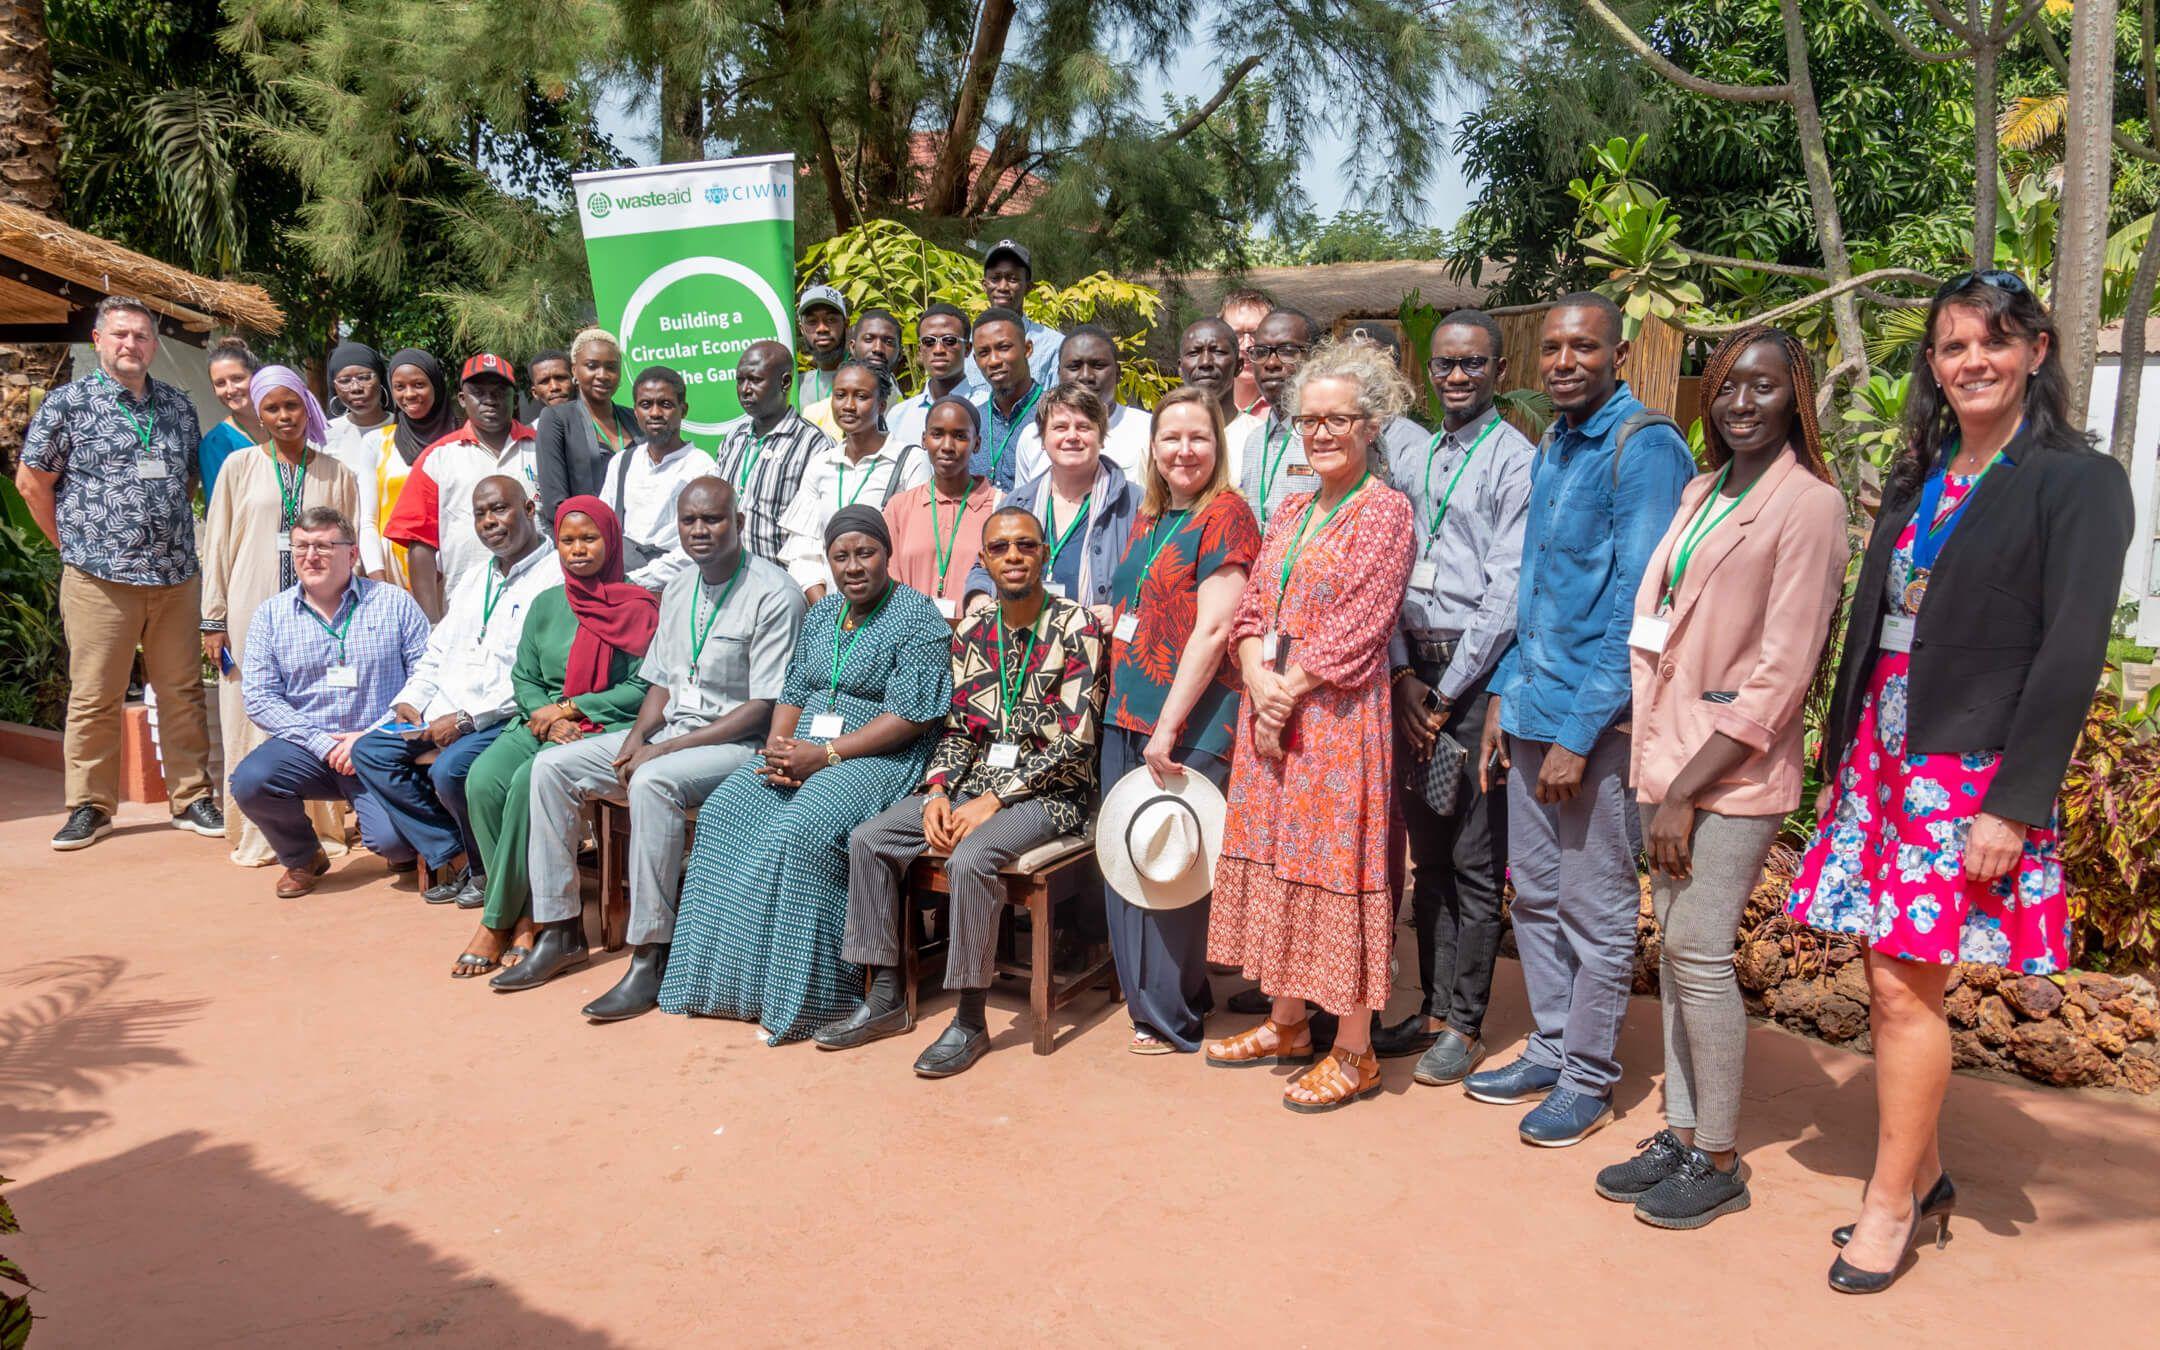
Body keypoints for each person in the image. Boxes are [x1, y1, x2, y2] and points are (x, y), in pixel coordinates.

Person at [1788, 275, 2129, 1293]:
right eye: (1950, 347)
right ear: (1932, 366)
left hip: (1967, 769)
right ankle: (1924, 1169)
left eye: (1993, 341)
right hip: (1885, 755)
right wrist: (1841, 750)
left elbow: (2070, 654)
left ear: (2037, 350)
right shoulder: (1920, 474)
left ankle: (1891, 1205)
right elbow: (1875, 622)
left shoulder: (2079, 480)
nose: (1971, 361)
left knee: (1901, 987)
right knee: (1885, 971)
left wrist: (2014, 805)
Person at [1581, 326, 1849, 1229]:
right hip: (1666, 762)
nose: (1741, 402)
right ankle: (1682, 1129)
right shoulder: (1700, 491)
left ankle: (1720, 1158)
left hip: (1727, 777)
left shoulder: (1807, 507)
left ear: (1796, 399)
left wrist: (1690, 788)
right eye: (1730, 385)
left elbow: (1782, 674)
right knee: (1677, 957)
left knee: (1698, 956)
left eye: (1764, 388)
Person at [1467, 293, 1695, 1146]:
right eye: (1554, 348)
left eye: (1584, 348)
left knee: (1594, 910)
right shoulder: (1557, 442)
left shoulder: (1644, 450)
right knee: (1533, 898)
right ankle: (1553, 1044)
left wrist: (1574, 733)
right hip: (1533, 708)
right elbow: (1535, 591)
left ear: (1621, 352)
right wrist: (1506, 700)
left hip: (1590, 730)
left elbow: (1640, 611)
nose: (1565, 361)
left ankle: (1589, 1076)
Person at [812, 508, 1107, 1077]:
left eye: (1026, 545)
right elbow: (957, 728)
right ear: (985, 561)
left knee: (972, 858)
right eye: (1001, 548)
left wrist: (993, 800)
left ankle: (970, 1018)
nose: (1014, 556)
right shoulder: (973, 630)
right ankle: (887, 996)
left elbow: (1076, 742)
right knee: (869, 838)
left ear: (1044, 553)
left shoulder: (1078, 627)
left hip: (1051, 796)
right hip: (973, 786)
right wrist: (941, 789)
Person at [1200, 340, 1415, 1113]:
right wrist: (1256, 675)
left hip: (1336, 721)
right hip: (1276, 708)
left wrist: (1282, 691)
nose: (1321, 433)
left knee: (1336, 871)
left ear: (1371, 424)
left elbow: (1361, 628)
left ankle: (1354, 1050)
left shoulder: (1385, 513)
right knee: (1279, 860)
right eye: (1309, 420)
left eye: (1338, 419)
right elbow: (1254, 605)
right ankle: (1289, 1024)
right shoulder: (1291, 508)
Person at [510, 479, 808, 1014]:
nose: (699, 531)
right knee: (550, 767)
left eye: (712, 520)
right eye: (689, 521)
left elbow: (762, 708)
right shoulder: (679, 587)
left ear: (737, 522)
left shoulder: (774, 593)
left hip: (737, 746)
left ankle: (651, 953)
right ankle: (560, 930)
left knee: (652, 782)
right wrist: (636, 737)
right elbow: (661, 683)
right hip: (671, 735)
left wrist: (660, 753)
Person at [661, 505, 954, 1039]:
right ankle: (724, 984)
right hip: (805, 749)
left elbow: (912, 714)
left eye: (865, 553)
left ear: (887, 554)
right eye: (840, 557)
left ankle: (810, 1000)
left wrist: (825, 755)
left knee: (804, 830)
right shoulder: (821, 615)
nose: (853, 567)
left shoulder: (917, 618)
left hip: (878, 757)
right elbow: (795, 691)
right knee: (728, 810)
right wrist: (777, 752)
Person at [1375, 310, 1535, 1084]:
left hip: (1473, 680)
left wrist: (1446, 695)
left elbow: (1507, 591)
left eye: (1473, 363)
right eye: (1445, 365)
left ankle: (1467, 1024)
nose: (1458, 377)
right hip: (1410, 674)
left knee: (1474, 858)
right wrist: (1406, 674)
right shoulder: (1416, 452)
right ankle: (1433, 1009)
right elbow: (1396, 568)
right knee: (1427, 856)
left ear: (1499, 369)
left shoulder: (1516, 461)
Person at [15, 295, 220, 851]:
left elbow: (187, 481)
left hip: (174, 575)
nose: (131, 344)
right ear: (99, 341)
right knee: (95, 695)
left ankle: (192, 797)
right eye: (120, 335)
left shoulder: (178, 406)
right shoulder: (67, 404)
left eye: (142, 336)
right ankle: (91, 806)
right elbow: (32, 483)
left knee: (181, 691)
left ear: (154, 345)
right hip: (98, 578)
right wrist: (73, 545)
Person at [1099, 385, 1261, 1053]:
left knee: (1170, 861)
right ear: (1153, 449)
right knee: (1129, 856)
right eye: (1172, 437)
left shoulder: (1226, 514)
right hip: (1127, 708)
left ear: (1217, 447)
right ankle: (1175, 993)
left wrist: (1167, 726)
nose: (1184, 449)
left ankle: (1166, 1016)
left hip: (1186, 718)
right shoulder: (1153, 514)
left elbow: (1217, 626)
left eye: (1198, 436)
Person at [450, 497, 659, 979]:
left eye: (590, 539)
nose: (578, 550)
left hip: (603, 726)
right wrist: (545, 716)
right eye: (568, 541)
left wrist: (572, 708)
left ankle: (501, 920)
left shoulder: (636, 606)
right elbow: (524, 675)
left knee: (528, 780)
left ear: (610, 541)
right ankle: (525, 911)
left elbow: (643, 688)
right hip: (539, 722)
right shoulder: (547, 602)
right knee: (482, 778)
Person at [350, 476, 562, 908]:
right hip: (443, 709)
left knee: (451, 771)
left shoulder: (554, 576)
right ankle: (458, 855)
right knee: (371, 751)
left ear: (528, 509)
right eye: (481, 514)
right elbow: (438, 649)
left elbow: (531, 675)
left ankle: (487, 868)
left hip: (503, 715)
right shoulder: (473, 579)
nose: (490, 522)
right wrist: (411, 700)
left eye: (500, 509)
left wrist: (467, 720)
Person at [201, 365, 362, 868]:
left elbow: (351, 546)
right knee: (251, 710)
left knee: (320, 706)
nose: (283, 416)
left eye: (291, 405)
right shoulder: (239, 466)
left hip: (323, 613)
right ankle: (258, 830)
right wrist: (213, 618)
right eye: (271, 408)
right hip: (252, 607)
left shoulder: (336, 472)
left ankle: (323, 827)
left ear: (306, 406)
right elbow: (218, 543)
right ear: (258, 412)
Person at [227, 508, 431, 897]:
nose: (310, 556)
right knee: (251, 782)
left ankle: (399, 846)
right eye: (301, 547)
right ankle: (303, 856)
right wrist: (323, 742)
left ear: (352, 555)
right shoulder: (271, 615)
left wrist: (369, 739)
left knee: (393, 842)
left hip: (380, 747)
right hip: (308, 748)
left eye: (323, 546)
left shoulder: (394, 603)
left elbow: (426, 678)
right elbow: (259, 697)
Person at [1238, 308, 1427, 527]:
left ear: (1315, 356)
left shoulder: (1339, 440)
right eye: (1260, 351)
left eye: (1288, 350)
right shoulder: (1252, 441)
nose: (1271, 363)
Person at [384, 353, 538, 620]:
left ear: (515, 397)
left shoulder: (542, 447)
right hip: (466, 606)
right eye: (478, 392)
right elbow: (420, 544)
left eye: (500, 391)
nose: (490, 400)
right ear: (463, 399)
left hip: (539, 594)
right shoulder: (439, 457)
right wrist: (431, 622)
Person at [962, 385, 1139, 616]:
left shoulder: (1134, 503)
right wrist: (979, 594)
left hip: (1099, 644)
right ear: (1043, 439)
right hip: (1029, 643)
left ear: (1102, 437)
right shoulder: (1017, 503)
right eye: (1060, 427)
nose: (1072, 436)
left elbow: (1153, 579)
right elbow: (986, 565)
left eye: (1084, 427)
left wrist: (1118, 613)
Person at [780, 359, 930, 596]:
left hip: (887, 607)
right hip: (829, 609)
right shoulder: (820, 465)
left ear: (881, 405)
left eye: (861, 396)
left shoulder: (910, 462)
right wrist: (824, 609)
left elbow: (917, 550)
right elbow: (803, 551)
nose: (848, 405)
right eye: (840, 395)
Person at [710, 340, 833, 565]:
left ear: (785, 382)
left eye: (755, 380)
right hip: (730, 578)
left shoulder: (814, 444)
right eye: (740, 380)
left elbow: (819, 528)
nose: (745, 389)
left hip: (783, 581)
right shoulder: (734, 438)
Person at [600, 366, 718, 591]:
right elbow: (604, 528)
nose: (654, 413)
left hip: (678, 589)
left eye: (665, 404)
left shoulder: (701, 468)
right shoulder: (622, 463)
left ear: (683, 410)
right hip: (622, 588)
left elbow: (700, 545)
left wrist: (638, 580)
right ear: (635, 412)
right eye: (646, 405)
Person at [882, 395, 997, 620]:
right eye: (937, 434)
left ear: (977, 444)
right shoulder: (900, 508)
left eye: (960, 436)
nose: (947, 446)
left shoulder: (998, 507)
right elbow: (888, 583)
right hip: (913, 642)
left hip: (975, 642)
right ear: (924, 440)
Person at [377, 348, 465, 589]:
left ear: (436, 385)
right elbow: (367, 519)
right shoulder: (378, 442)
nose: (409, 394)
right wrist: (377, 577)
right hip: (394, 566)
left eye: (418, 385)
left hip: (454, 562)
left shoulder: (463, 438)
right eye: (399, 387)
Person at [533, 328, 638, 526]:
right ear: (574, 371)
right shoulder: (557, 419)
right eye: (592, 366)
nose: (603, 375)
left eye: (611, 367)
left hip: (645, 539)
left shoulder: (633, 418)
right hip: (593, 541)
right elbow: (555, 503)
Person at [1018, 324, 1150, 479]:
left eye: (1098, 365)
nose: (1086, 376)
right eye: (1074, 367)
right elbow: (1022, 502)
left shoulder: (1147, 429)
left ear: (1118, 373)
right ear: (1059, 373)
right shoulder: (1033, 436)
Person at [322, 342, 398, 578]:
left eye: (365, 377)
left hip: (393, 551)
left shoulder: (403, 430)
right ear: (334, 386)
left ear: (381, 380)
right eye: (345, 381)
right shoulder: (324, 436)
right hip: (340, 554)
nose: (356, 388)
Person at [963, 238, 1063, 388]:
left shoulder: (1054, 346)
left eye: (1013, 279)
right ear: (984, 285)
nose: (1002, 287)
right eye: (995, 279)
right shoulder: (965, 345)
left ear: (1029, 287)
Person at [885, 302, 978, 452]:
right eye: (929, 342)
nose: (938, 350)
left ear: (967, 349)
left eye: (949, 341)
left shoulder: (985, 409)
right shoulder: (898, 416)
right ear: (920, 350)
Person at [968, 307, 1043, 492]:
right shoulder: (972, 421)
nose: (993, 361)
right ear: (975, 360)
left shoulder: (1056, 415)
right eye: (984, 353)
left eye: (1003, 348)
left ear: (1027, 349)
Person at [804, 309, 904, 440]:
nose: (878, 348)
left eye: (888, 342)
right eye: (869, 339)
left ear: (900, 353)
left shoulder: (909, 413)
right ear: (852, 347)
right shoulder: (815, 416)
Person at [1176, 318, 1257, 471]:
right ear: (1180, 369)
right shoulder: (1162, 439)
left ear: (1238, 366)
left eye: (1218, 352)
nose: (1205, 362)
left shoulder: (1259, 438)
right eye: (1194, 353)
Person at [195, 336, 264, 506]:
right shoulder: (216, 443)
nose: (230, 390)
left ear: (256, 376)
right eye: (220, 383)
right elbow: (221, 510)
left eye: (237, 378)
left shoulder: (283, 427)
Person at [794, 284, 850, 414]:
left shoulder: (870, 379)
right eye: (812, 321)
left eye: (831, 320)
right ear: (802, 330)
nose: (822, 328)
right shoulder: (796, 387)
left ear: (846, 324)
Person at [1221, 287, 1272, 422]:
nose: (1247, 345)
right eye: (1237, 334)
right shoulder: (1205, 407)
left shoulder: (1286, 410)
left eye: (1256, 333)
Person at [525, 348, 575, 418]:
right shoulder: (532, 429)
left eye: (560, 378)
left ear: (575, 381)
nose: (554, 387)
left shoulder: (594, 421)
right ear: (535, 393)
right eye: (544, 381)